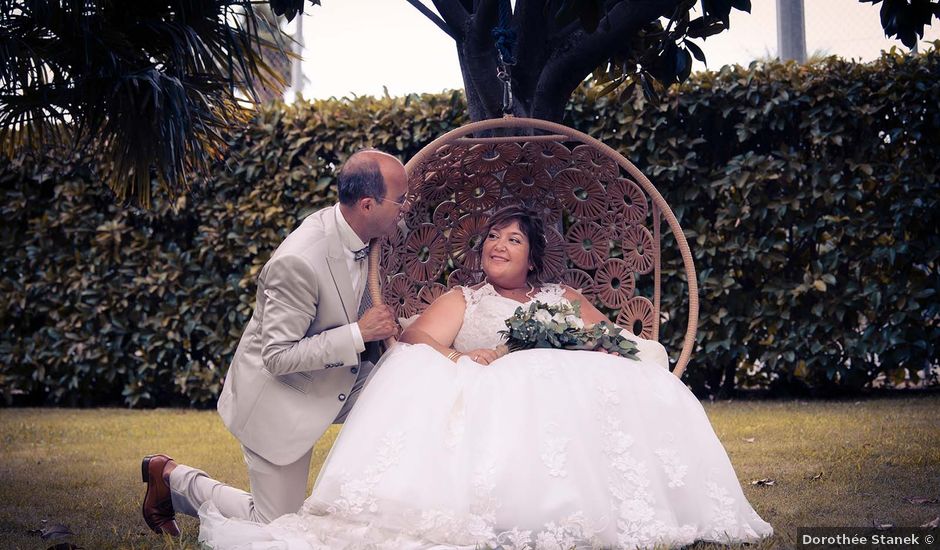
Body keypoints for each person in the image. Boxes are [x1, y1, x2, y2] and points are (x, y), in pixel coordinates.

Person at [197, 205, 775, 549]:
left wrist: (582, 345)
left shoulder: (561, 298)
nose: (499, 245)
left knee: (627, 377)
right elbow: (416, 340)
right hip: (492, 406)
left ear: (532, 257)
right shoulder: (464, 299)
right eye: (493, 237)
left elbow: (609, 340)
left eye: (513, 239)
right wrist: (465, 359)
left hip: (562, 414)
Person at [140, 149, 406, 536]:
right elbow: (278, 356)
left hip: (338, 380)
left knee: (409, 392)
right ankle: (172, 480)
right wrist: (359, 333)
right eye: (401, 199)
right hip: (281, 397)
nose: (407, 207)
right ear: (368, 204)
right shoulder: (299, 261)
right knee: (277, 528)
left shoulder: (369, 236)